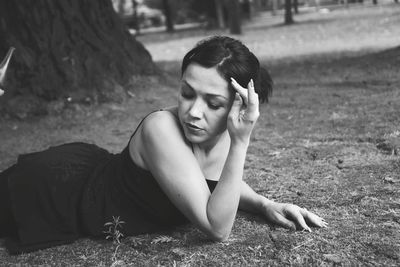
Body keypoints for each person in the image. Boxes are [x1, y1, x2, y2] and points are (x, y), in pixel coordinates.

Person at [0, 36, 327, 255]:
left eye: (212, 103)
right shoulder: (162, 129)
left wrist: (265, 204)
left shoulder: (226, 128)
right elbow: (217, 228)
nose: (193, 112)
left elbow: (210, 181)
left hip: (86, 177)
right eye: (187, 93)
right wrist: (241, 141)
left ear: (237, 105)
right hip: (57, 191)